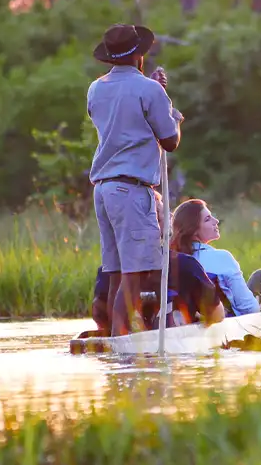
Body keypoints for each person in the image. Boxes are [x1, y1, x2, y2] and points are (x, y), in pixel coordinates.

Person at [87, 23, 184, 337]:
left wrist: (153, 90)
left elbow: (123, 116)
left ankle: (116, 341)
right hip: (130, 189)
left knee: (116, 273)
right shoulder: (150, 90)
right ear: (138, 54)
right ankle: (123, 345)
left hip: (103, 189)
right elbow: (170, 141)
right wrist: (170, 110)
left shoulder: (95, 88)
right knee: (134, 276)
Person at [92, 191, 225, 332]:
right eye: (164, 213)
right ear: (152, 224)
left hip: (125, 338)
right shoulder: (186, 265)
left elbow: (99, 316)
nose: (171, 216)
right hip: (175, 341)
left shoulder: (107, 271)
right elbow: (217, 315)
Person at [171, 199, 261, 316]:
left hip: (193, 319)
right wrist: (256, 303)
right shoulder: (221, 258)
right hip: (230, 322)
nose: (216, 221)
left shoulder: (173, 261)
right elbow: (250, 309)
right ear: (193, 230)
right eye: (207, 219)